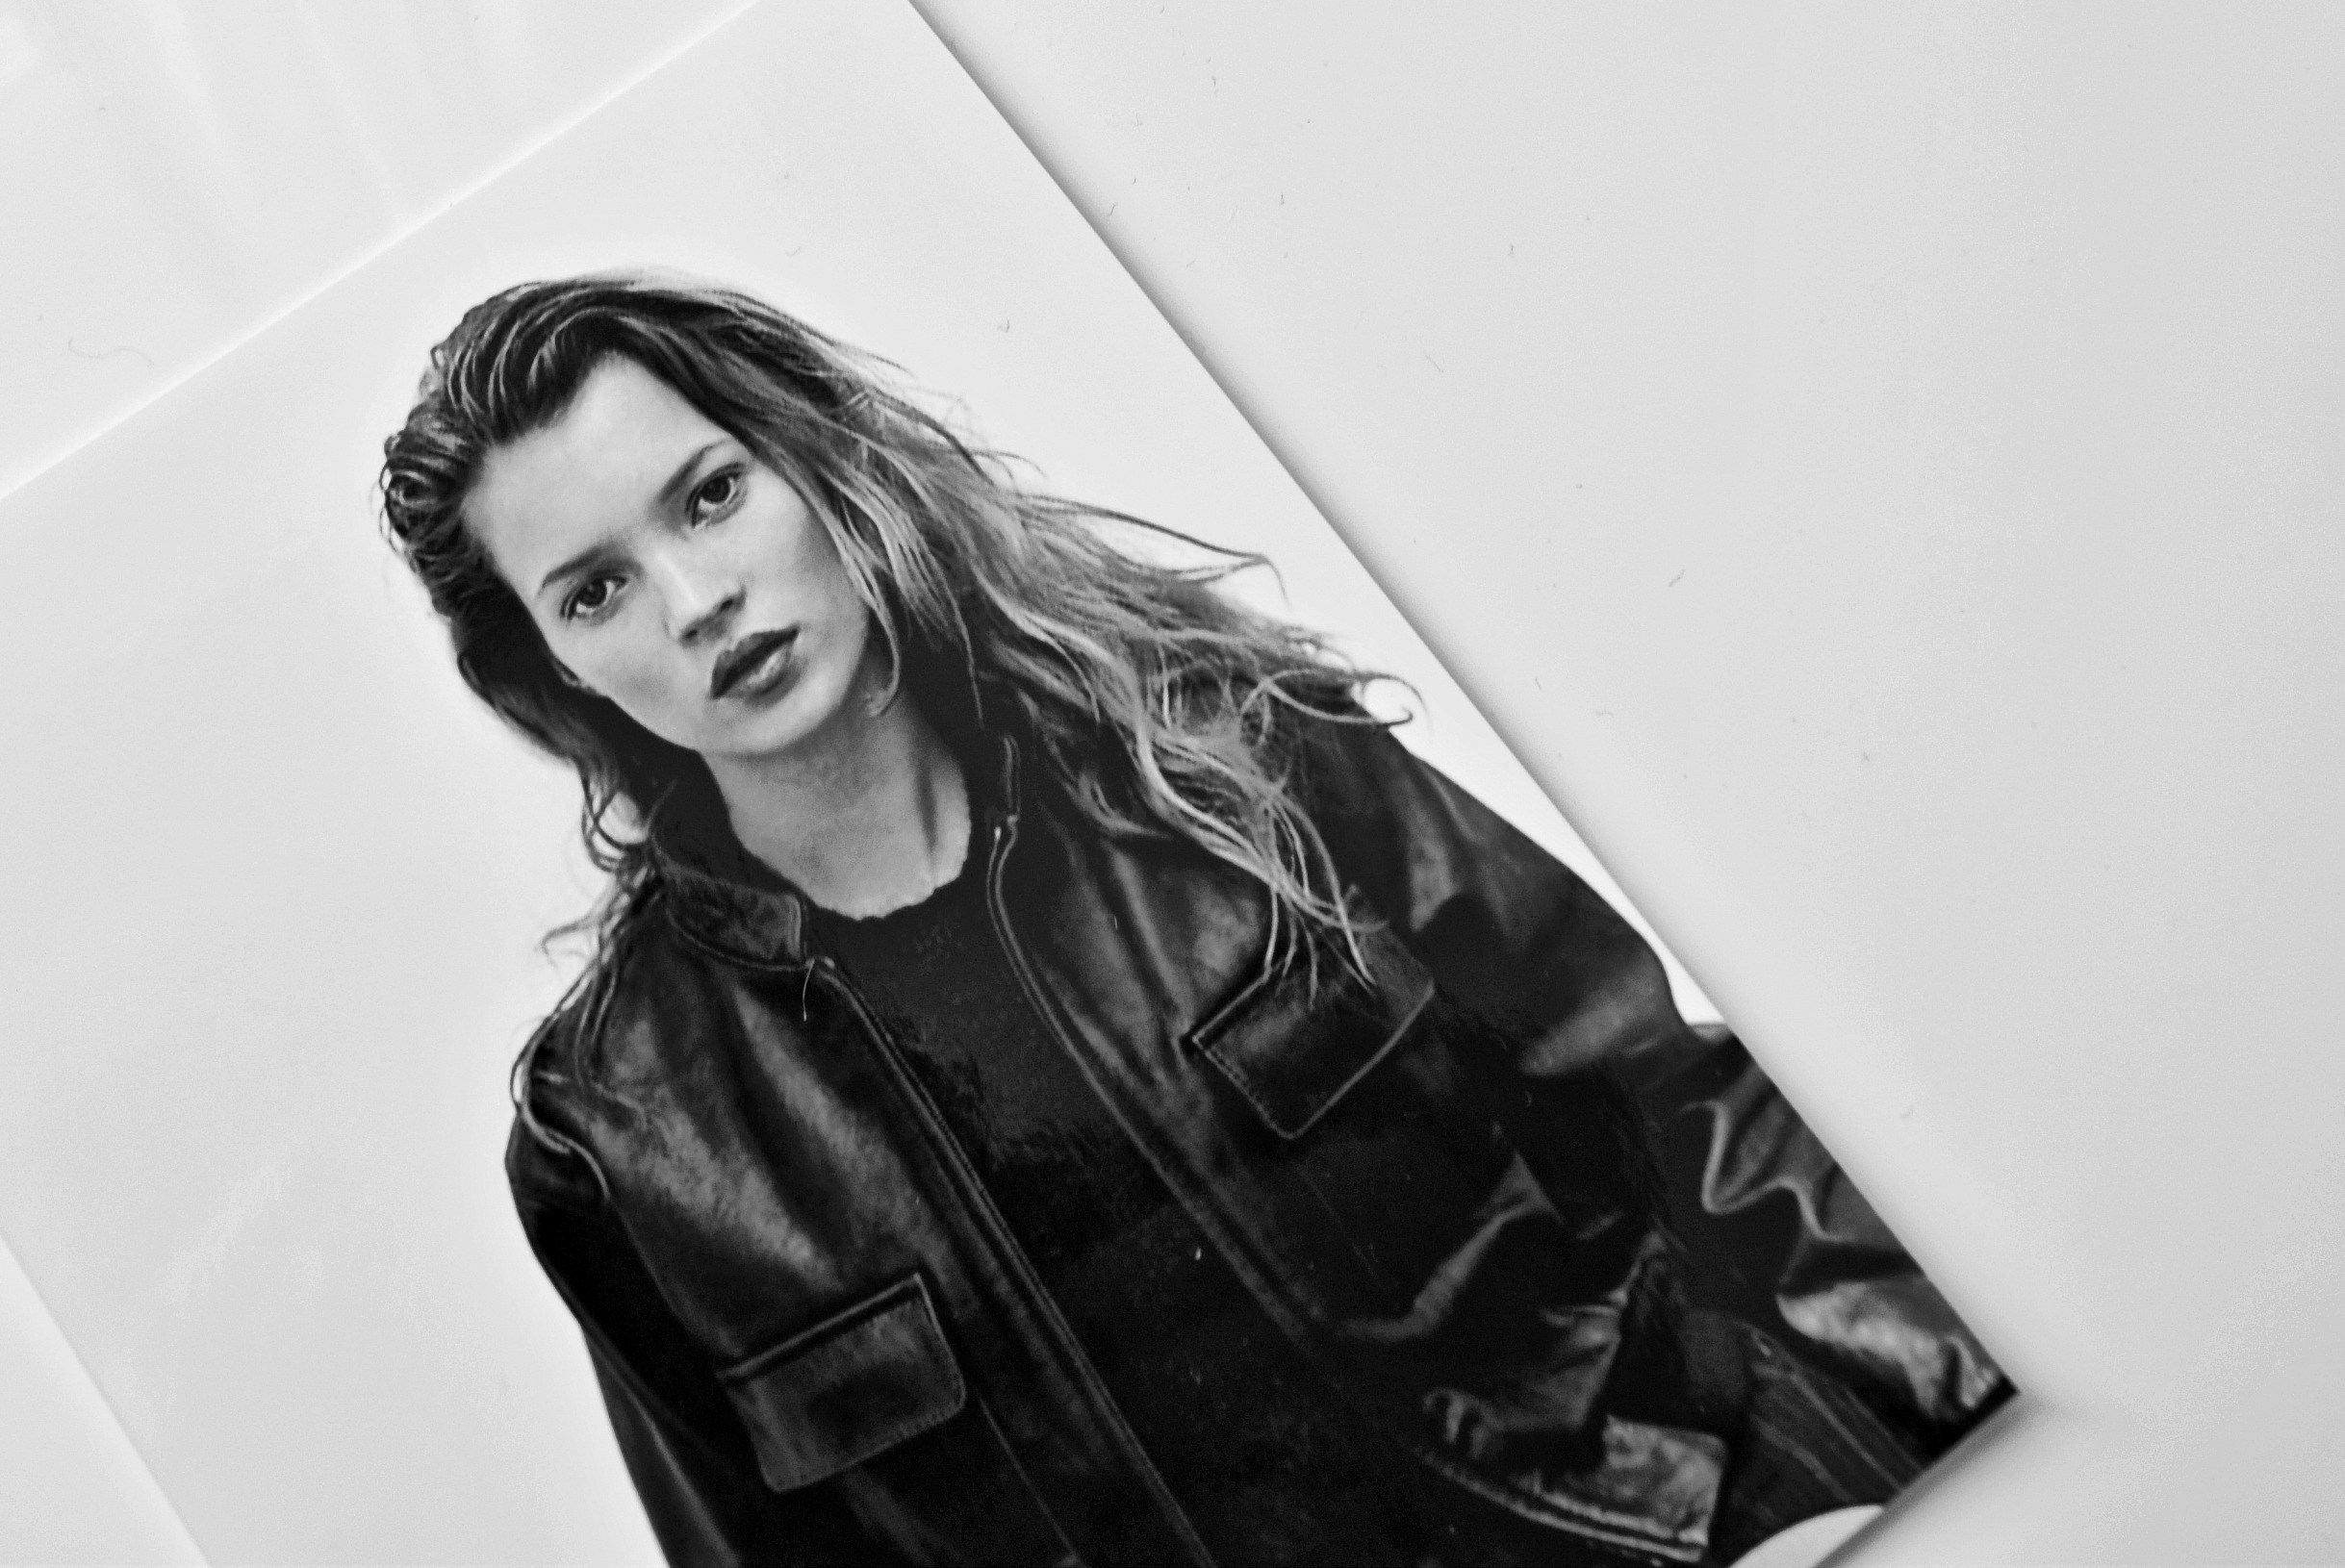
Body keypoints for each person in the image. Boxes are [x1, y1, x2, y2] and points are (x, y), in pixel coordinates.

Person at [378, 273, 2006, 1566]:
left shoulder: (1222, 754)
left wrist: (1976, 1442)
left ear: (813, 464)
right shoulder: (621, 1144)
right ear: (547, 670)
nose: (695, 600)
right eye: (594, 588)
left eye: (710, 495)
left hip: (1701, 1517)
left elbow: (1666, 1100)